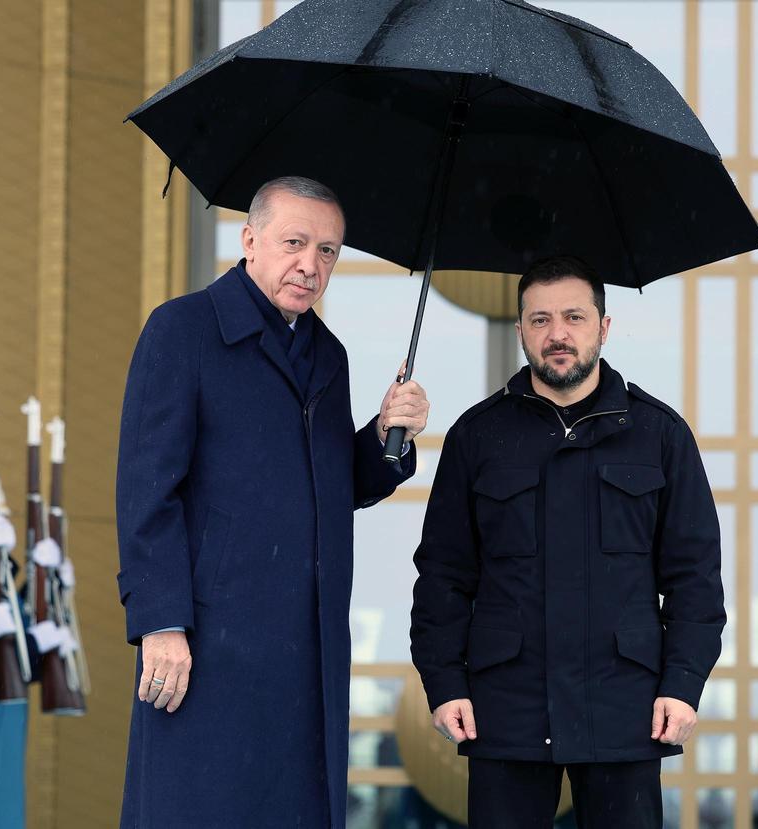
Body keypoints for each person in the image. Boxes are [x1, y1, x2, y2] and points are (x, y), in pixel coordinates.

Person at [116, 176, 429, 827]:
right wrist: (161, 621)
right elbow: (148, 489)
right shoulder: (183, 330)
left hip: (304, 661)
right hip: (207, 653)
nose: (311, 265)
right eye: (295, 242)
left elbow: (332, 485)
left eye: (329, 251)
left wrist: (383, 435)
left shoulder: (328, 357)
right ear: (250, 239)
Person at [410, 256, 725, 828]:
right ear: (521, 332)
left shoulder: (659, 435)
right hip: (505, 709)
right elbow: (443, 576)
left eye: (575, 317)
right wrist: (444, 682)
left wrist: (683, 683)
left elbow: (694, 578)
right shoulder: (478, 436)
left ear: (603, 327)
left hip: (625, 707)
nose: (558, 334)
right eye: (540, 320)